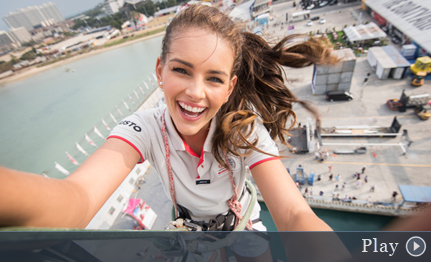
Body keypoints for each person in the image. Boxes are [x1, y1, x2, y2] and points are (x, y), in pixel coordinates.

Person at [0, 4, 337, 237]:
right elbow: (79, 199)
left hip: (241, 227)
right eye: (181, 70)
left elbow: (294, 215)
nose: (195, 92)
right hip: (187, 232)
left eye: (214, 79)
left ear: (230, 87)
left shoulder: (243, 130)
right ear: (160, 71)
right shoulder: (145, 127)